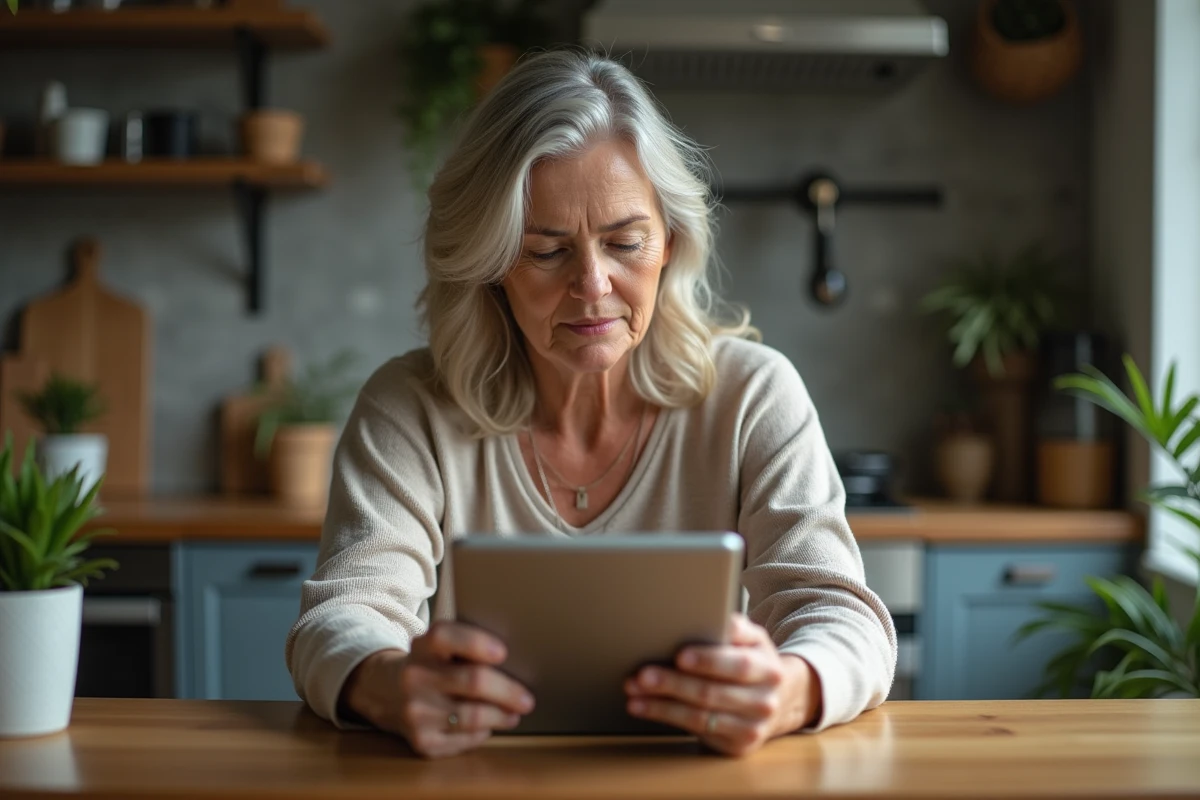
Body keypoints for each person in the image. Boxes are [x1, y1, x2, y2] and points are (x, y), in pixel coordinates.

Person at [286, 49, 896, 760]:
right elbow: (342, 616)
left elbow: (837, 614)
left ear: (669, 242)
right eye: (547, 252)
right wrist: (385, 682)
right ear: (490, 264)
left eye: (625, 243)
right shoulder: (409, 408)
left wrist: (791, 687)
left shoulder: (754, 394)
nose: (594, 285)